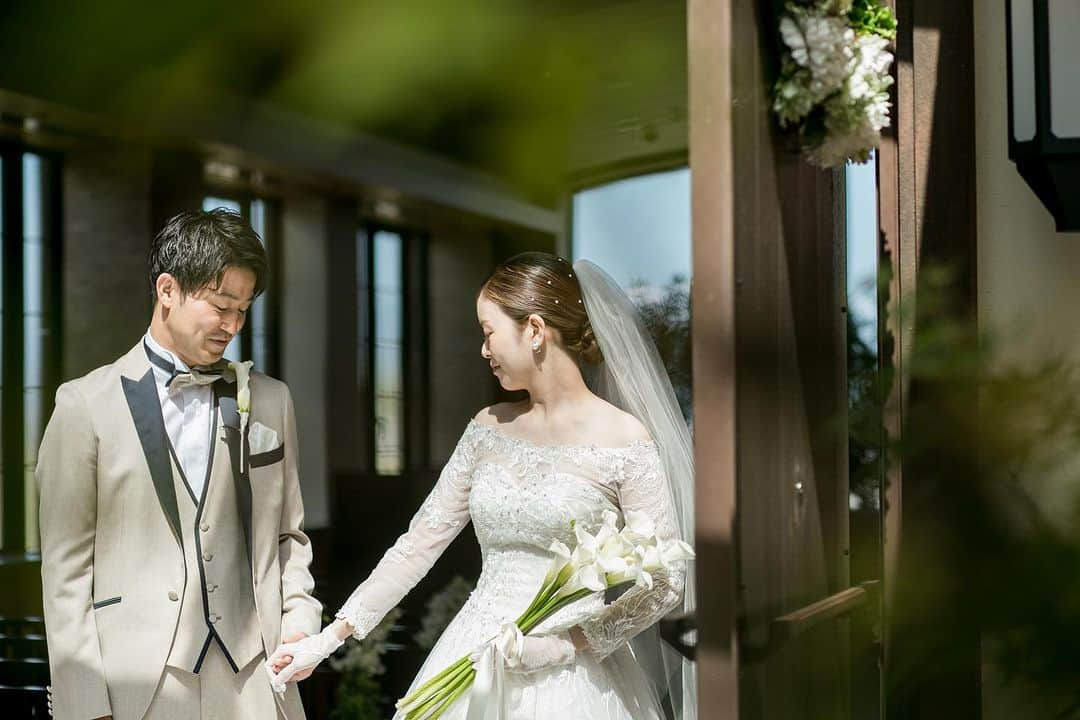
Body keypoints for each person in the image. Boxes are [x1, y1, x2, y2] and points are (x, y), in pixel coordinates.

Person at [269, 251, 696, 719]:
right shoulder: (487, 428)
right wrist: (327, 639)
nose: (483, 350)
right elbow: (418, 546)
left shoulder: (625, 441)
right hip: (472, 653)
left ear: (533, 330)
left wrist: (565, 645)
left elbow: (665, 582)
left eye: (489, 332)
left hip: (575, 678)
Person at [38, 209, 321, 720]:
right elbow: (66, 573)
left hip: (255, 678)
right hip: (137, 687)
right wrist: (84, 705)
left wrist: (299, 620)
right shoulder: (84, 405)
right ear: (168, 290)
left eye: (244, 309)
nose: (233, 325)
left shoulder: (271, 401)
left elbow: (289, 536)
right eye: (221, 306)